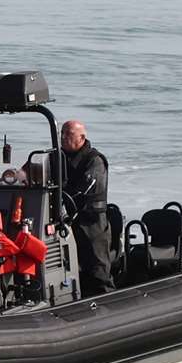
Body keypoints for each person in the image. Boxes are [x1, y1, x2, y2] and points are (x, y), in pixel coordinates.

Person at [56, 119, 114, 295]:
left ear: (82, 137)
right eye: (62, 134)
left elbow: (86, 188)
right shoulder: (56, 158)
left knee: (97, 268)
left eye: (69, 134)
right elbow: (30, 171)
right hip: (66, 221)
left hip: (91, 223)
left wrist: (66, 199)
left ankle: (107, 299)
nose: (64, 138)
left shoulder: (94, 160)